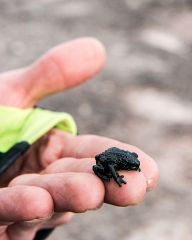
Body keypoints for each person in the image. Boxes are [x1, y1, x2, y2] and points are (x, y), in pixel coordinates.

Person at [0, 37, 159, 240]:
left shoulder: (127, 160)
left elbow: (128, 158)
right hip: (103, 161)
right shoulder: (116, 162)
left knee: (53, 199)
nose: (133, 165)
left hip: (110, 157)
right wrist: (115, 176)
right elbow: (107, 166)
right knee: (45, 200)